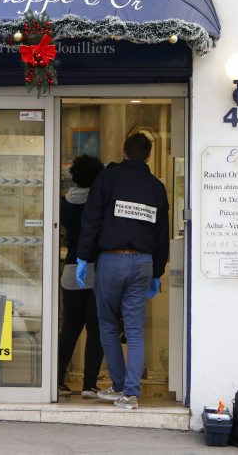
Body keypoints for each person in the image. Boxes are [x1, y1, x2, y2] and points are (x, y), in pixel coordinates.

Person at [76, 132, 169, 411]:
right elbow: (161, 232)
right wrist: (157, 272)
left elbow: (91, 219)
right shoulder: (156, 187)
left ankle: (119, 385)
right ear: (149, 156)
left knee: (107, 324)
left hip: (111, 260)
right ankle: (130, 393)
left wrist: (82, 257)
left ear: (124, 152)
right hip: (142, 263)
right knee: (134, 328)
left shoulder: (108, 179)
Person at [57, 154, 105, 399]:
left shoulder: (63, 204)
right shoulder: (100, 203)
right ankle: (89, 384)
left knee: (70, 328)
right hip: (97, 269)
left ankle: (57, 379)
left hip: (71, 268)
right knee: (96, 329)